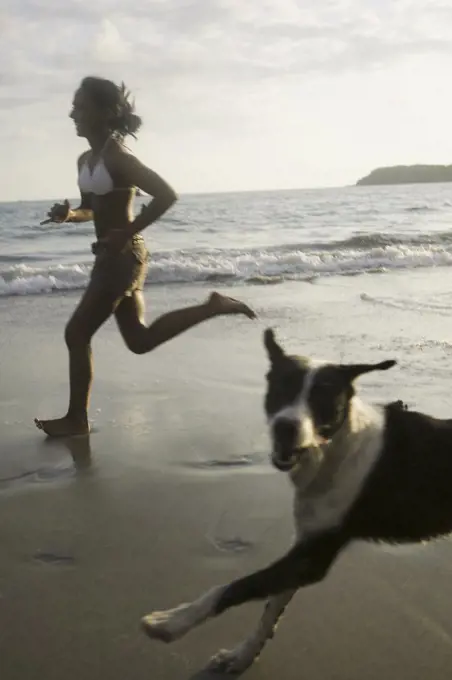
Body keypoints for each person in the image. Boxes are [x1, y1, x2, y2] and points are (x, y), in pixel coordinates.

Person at [35, 76, 256, 437]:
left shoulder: (119, 157)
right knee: (139, 340)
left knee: (76, 333)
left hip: (124, 258)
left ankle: (77, 419)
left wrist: (127, 230)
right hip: (112, 259)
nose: (72, 112)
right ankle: (212, 305)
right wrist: (69, 214)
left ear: (104, 113)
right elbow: (91, 208)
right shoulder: (86, 159)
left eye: (80, 106)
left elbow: (167, 194)